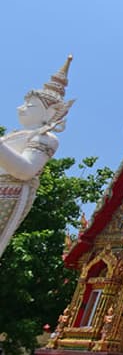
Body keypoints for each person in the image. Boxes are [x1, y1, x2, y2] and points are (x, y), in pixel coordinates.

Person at [0, 57, 74, 258]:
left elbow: (25, 171)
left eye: (29, 106)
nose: (20, 108)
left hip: (8, 192)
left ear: (50, 112)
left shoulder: (46, 139)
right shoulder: (15, 136)